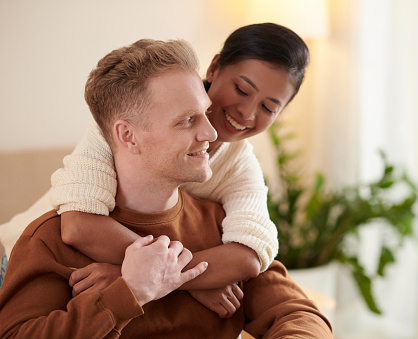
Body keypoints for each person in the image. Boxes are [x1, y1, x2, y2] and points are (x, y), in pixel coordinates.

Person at [0, 38, 332, 338]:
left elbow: (299, 315)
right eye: (187, 120)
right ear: (127, 136)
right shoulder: (53, 235)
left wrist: (166, 280)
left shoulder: (221, 224)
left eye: (204, 114)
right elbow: (78, 228)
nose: (212, 133)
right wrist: (128, 291)